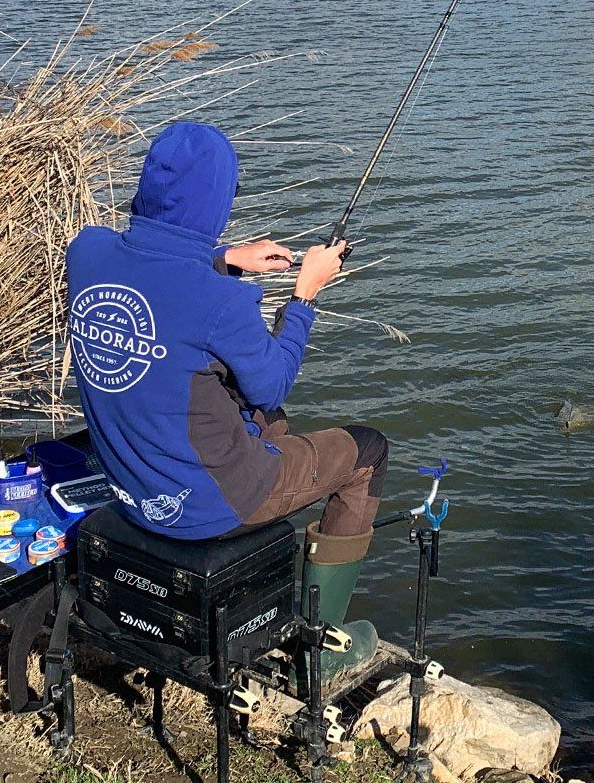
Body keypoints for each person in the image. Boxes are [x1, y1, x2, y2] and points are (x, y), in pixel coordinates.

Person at [64, 119, 388, 679]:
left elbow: (160, 273)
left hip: (131, 488)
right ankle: (319, 647)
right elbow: (272, 381)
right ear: (216, 198)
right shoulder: (221, 302)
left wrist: (226, 255)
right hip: (209, 506)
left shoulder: (86, 253)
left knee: (268, 418)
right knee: (367, 451)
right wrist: (304, 294)